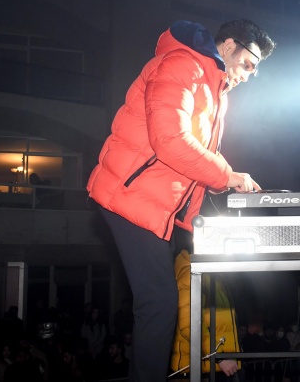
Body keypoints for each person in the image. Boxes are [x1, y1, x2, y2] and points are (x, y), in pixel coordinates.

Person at [87, 19, 275, 381]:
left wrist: (223, 183)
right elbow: (170, 141)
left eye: (255, 70)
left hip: (151, 204)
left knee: (157, 303)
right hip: (128, 196)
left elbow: (193, 160)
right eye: (248, 64)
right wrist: (227, 176)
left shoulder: (213, 88)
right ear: (228, 46)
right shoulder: (183, 65)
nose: (249, 75)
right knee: (158, 303)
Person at [170, 245, 241, 380]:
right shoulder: (191, 271)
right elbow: (188, 322)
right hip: (204, 370)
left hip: (216, 367)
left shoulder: (210, 271)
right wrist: (218, 356)